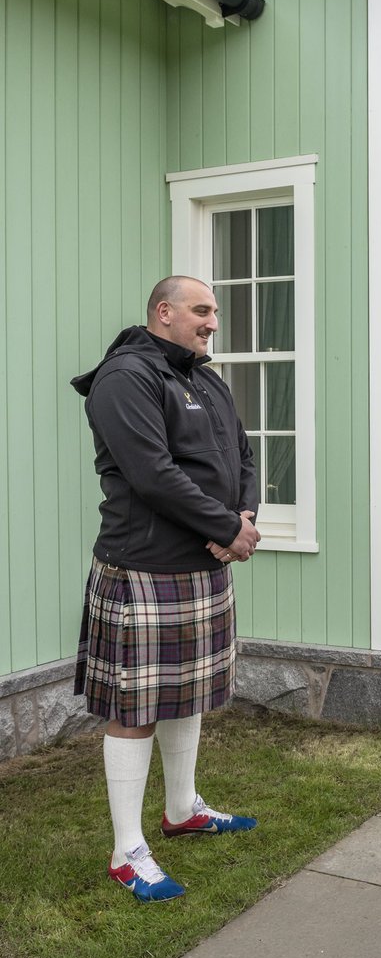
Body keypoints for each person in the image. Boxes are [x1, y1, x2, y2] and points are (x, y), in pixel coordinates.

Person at [72, 276, 261, 902]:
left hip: (203, 564)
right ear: (164, 311)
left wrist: (242, 517)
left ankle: (182, 810)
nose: (212, 322)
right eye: (202, 310)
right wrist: (225, 525)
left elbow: (242, 453)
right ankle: (127, 851)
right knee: (136, 707)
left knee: (189, 695)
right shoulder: (125, 377)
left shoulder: (203, 377)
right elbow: (151, 474)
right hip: (143, 569)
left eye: (214, 312)